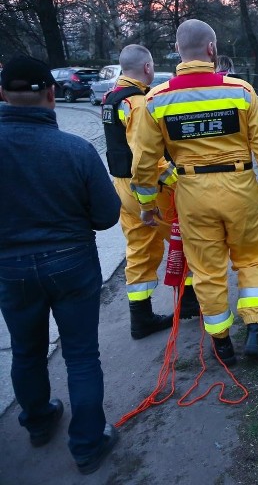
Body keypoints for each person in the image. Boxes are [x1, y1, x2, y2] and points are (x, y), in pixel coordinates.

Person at [130, 19, 258, 365]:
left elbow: (143, 161)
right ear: (212, 50)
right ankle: (255, 329)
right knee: (252, 258)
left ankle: (222, 343)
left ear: (177, 50)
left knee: (207, 269)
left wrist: (146, 203)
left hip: (192, 192)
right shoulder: (241, 92)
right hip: (241, 188)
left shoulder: (156, 99)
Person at [0, 56, 120, 474]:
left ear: (1, 94)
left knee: (26, 350)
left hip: (10, 269)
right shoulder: (76, 150)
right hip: (71, 263)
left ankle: (37, 421)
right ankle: (88, 444)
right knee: (82, 355)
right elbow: (107, 216)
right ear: (52, 95)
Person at [102, 44, 200, 340]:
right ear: (147, 68)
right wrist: (180, 181)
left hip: (122, 188)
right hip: (149, 190)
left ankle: (141, 318)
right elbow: (148, 156)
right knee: (186, 237)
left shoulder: (110, 99)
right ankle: (190, 302)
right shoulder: (138, 103)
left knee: (139, 248)